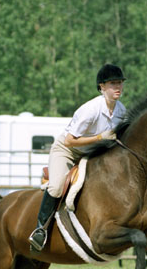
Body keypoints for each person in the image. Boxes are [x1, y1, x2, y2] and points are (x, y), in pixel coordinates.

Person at [29, 63, 127, 251]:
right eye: (113, 83)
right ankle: (40, 230)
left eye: (120, 83)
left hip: (92, 154)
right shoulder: (90, 109)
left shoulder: (121, 110)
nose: (118, 87)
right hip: (67, 151)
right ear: (102, 87)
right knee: (57, 186)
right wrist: (100, 137)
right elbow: (69, 140)